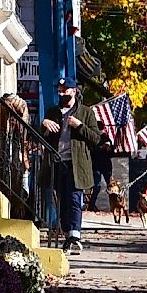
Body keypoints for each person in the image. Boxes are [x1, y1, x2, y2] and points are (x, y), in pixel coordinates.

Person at [43, 92, 104, 252]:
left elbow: (96, 138)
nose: (62, 93)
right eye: (60, 89)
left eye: (66, 90)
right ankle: (67, 234)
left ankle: (75, 236)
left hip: (76, 164)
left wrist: (79, 125)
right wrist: (44, 124)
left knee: (75, 199)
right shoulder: (53, 112)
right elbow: (41, 137)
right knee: (62, 201)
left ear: (74, 91)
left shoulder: (85, 112)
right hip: (57, 162)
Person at [99, 77, 140, 222]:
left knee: (121, 202)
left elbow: (112, 149)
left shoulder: (106, 137)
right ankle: (96, 207)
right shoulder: (96, 137)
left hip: (105, 163)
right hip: (97, 163)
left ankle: (125, 215)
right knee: (98, 185)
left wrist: (108, 147)